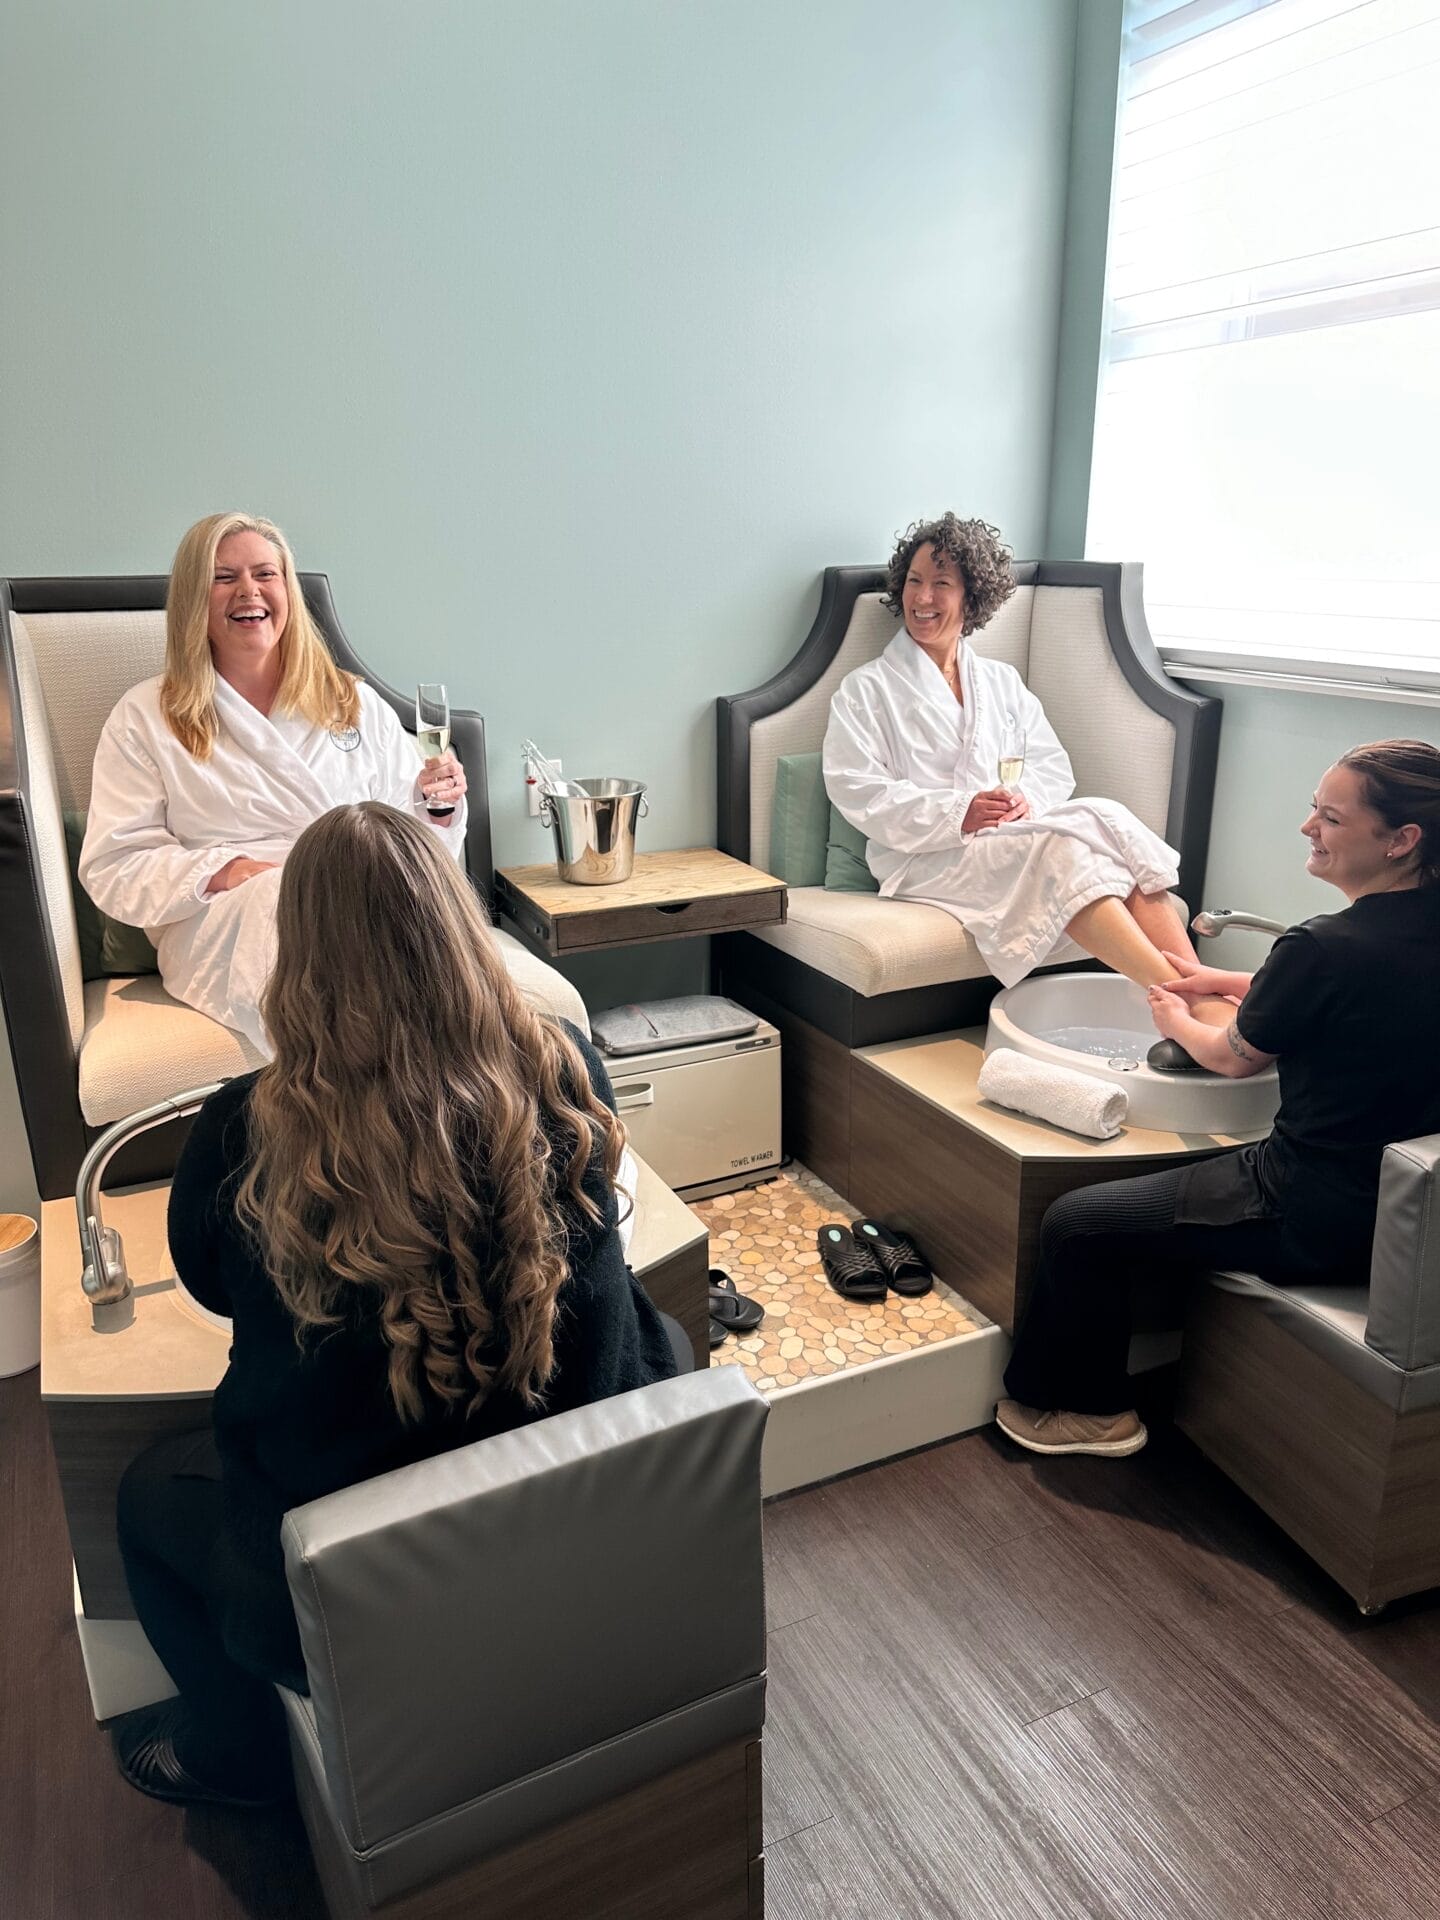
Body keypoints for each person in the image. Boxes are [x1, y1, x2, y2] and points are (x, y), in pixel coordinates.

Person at [111, 802, 679, 1808]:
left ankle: (236, 1760)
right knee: (664, 1332)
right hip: (569, 1537)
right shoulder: (563, 1065)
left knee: (151, 1497)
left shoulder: (244, 1130)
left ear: (302, 955)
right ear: (460, 927)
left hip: (366, 1596)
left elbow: (204, 1281)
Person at [997, 739, 1440, 1458]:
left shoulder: (1324, 947)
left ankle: (1091, 1413)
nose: (1308, 828)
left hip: (1311, 1210)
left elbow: (1231, 1058)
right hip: (1403, 1213)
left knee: (1078, 1224)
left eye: (1329, 817)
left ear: (1401, 840)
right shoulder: (1382, 937)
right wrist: (1231, 985)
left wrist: (1175, 1019)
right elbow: (1353, 1001)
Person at [822, 514, 1236, 1064]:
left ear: (974, 597)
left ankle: (1197, 998)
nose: (922, 597)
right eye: (914, 581)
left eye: (941, 583)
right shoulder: (866, 690)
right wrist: (960, 812)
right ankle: (1190, 1005)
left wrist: (1026, 801)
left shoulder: (1001, 682)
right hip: (924, 857)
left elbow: (1050, 766)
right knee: (1063, 851)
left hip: (1010, 835)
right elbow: (857, 790)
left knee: (1102, 820)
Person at [79, 511, 469, 1055]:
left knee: (422, 927)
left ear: (286, 589)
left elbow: (415, 841)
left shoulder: (349, 700)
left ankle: (466, 1072)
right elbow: (113, 866)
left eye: (266, 574)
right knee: (283, 900)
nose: (248, 591)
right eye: (223, 577)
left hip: (365, 907)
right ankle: (361, 1087)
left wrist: (439, 805)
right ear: (195, 598)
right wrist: (227, 870)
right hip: (229, 920)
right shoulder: (146, 716)